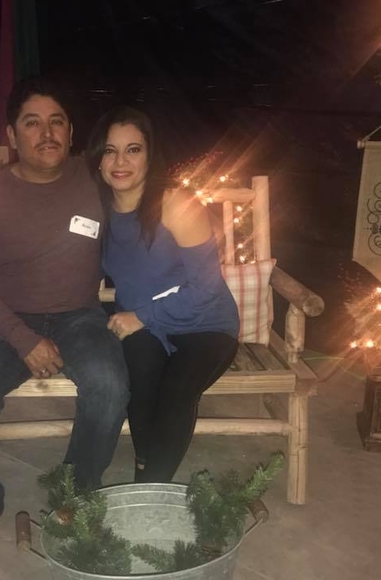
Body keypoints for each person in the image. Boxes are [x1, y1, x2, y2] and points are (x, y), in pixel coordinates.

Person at [0, 79, 129, 565]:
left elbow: (147, 196)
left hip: (80, 315)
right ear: (12, 134)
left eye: (56, 121)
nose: (47, 133)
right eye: (32, 122)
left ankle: (75, 494)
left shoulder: (96, 177)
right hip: (9, 320)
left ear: (71, 131)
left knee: (109, 384)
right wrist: (22, 339)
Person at [86, 106, 239, 484]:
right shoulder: (97, 211)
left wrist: (141, 317)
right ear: (99, 159)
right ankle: (145, 469)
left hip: (204, 322)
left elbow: (206, 287)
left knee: (176, 390)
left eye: (133, 150)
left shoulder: (175, 203)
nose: (121, 162)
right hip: (143, 324)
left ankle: (150, 488)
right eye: (110, 151)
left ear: (149, 155)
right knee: (140, 380)